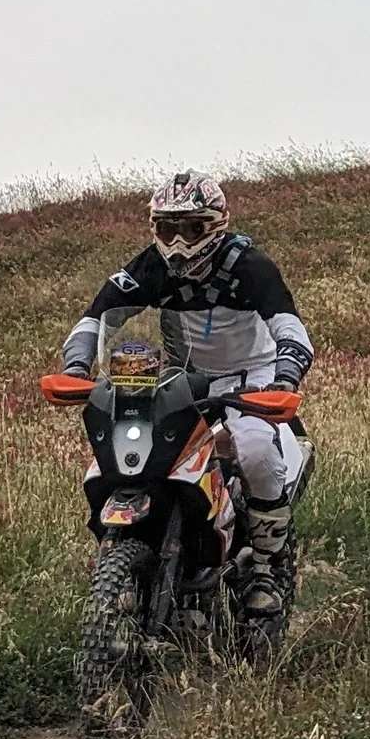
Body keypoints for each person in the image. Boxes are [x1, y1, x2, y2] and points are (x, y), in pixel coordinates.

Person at [61, 171, 315, 614]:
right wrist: (76, 366)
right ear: (154, 229)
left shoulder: (250, 267)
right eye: (167, 229)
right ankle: (123, 556)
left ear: (215, 225)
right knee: (122, 455)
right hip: (185, 377)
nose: (178, 243)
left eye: (191, 228)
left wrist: (284, 377)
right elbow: (97, 317)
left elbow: (291, 329)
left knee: (254, 448)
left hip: (253, 373)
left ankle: (267, 567)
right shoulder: (150, 267)